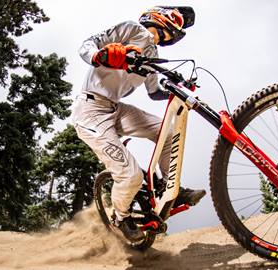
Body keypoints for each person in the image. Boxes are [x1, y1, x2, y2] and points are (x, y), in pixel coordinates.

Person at [73, 6, 205, 242]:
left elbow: (153, 92)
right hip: (90, 110)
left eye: (174, 32)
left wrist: (179, 86)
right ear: (158, 15)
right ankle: (121, 217)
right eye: (174, 22)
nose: (171, 33)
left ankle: (167, 186)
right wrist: (99, 55)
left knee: (169, 132)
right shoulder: (131, 28)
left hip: (115, 108)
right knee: (131, 175)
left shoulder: (152, 56)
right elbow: (87, 44)